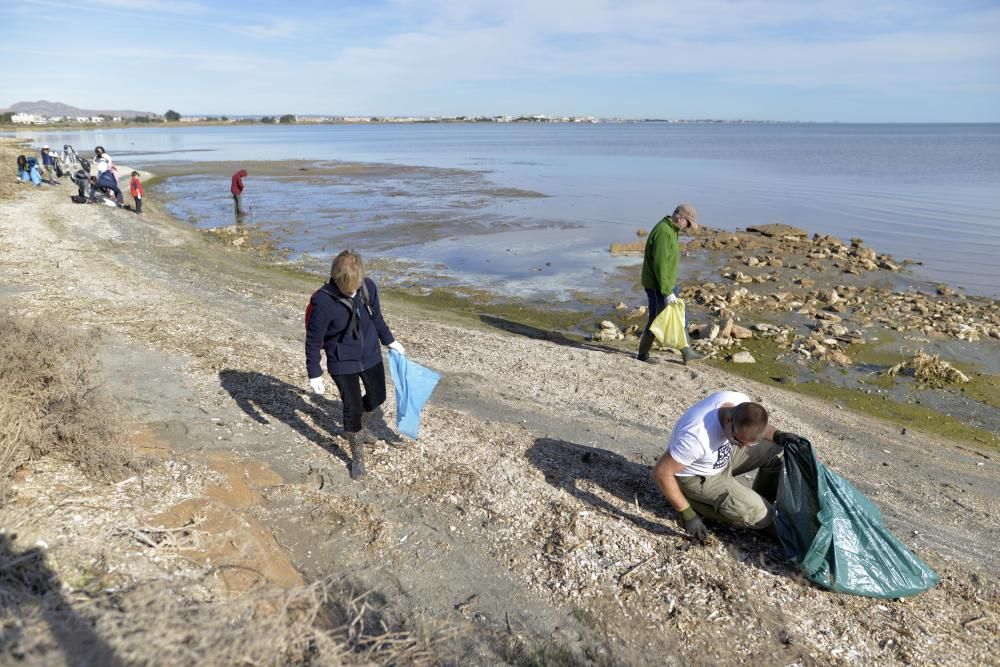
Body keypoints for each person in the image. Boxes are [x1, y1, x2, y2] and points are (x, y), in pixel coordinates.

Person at [651, 390, 804, 543]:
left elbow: (754, 425)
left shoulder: (738, 401)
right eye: (737, 441)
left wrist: (779, 435)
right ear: (729, 420)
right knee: (762, 514)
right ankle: (693, 502)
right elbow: (661, 472)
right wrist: (688, 515)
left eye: (745, 444)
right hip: (699, 478)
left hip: (719, 460)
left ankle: (760, 499)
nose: (740, 448)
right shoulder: (696, 438)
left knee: (777, 450)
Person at [305, 250, 405, 481]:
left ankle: (357, 428)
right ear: (336, 279)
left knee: (378, 397)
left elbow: (377, 319)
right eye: (347, 288)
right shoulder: (323, 301)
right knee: (351, 407)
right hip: (342, 361)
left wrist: (390, 341)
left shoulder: (368, 288)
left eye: (355, 286)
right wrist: (314, 372)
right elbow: (313, 339)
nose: (352, 292)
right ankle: (357, 456)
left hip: (369, 354)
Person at [637, 203, 703, 364]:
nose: (688, 227)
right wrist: (667, 292)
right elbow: (660, 265)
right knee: (656, 319)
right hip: (658, 286)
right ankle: (642, 355)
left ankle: (687, 352)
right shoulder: (663, 232)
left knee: (679, 314)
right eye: (688, 223)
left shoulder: (672, 230)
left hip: (666, 283)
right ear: (680, 218)